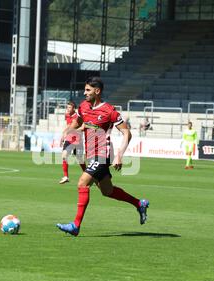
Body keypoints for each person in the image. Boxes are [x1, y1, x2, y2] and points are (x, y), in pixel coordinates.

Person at [56, 77, 149, 236]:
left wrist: (119, 155)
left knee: (82, 183)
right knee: (107, 191)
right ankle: (139, 203)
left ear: (97, 91)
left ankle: (75, 226)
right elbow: (79, 122)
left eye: (88, 90)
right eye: (84, 90)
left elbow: (127, 133)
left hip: (103, 154)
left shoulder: (109, 111)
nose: (84, 93)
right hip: (91, 155)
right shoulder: (84, 106)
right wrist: (67, 132)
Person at [59, 101, 86, 184]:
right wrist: (64, 134)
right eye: (67, 107)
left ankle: (89, 175)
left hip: (77, 139)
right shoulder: (67, 115)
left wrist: (64, 134)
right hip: (70, 138)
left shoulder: (76, 117)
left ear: (74, 108)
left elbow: (72, 126)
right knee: (64, 155)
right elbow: (68, 125)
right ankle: (66, 176)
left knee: (80, 159)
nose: (67, 109)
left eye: (69, 107)